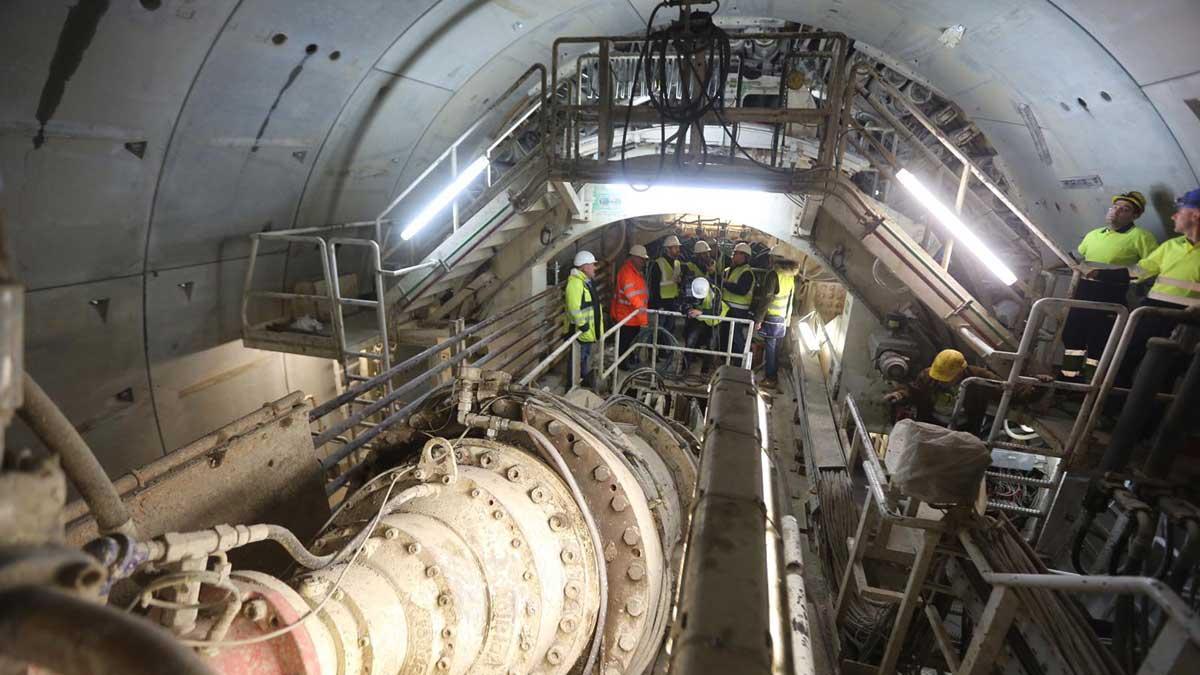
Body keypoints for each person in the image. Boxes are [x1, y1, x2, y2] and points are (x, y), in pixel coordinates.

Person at [1061, 191, 1158, 379]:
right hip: (1083, 293)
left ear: (1134, 216)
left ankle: (1092, 385)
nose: (1117, 211)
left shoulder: (1141, 237)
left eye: (1125, 209)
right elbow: (1076, 257)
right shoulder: (1093, 234)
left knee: (1100, 342)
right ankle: (1068, 381)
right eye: (1115, 207)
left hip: (1111, 296)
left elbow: (1150, 268)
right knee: (1072, 336)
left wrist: (1112, 276)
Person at [1113, 188, 1200, 387]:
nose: (1173, 215)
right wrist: (1098, 273)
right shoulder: (1171, 246)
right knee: (1126, 359)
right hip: (1152, 312)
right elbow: (1138, 272)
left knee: (1167, 372)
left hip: (1188, 320)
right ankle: (1112, 411)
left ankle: (1151, 417)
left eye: (1180, 210)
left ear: (1196, 214)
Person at [885, 349, 1048, 433]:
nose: (941, 380)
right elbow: (914, 391)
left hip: (964, 429)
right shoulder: (928, 375)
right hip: (931, 424)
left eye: (946, 377)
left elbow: (1011, 395)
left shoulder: (979, 378)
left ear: (961, 371)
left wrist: (1037, 387)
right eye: (939, 376)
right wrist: (900, 394)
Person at [753, 257, 800, 386]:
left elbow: (766, 299)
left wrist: (759, 319)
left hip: (772, 317)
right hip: (783, 317)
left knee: (770, 348)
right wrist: (789, 318)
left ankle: (770, 378)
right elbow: (793, 299)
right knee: (776, 348)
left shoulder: (773, 275)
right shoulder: (791, 277)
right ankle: (773, 374)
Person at [564, 250, 603, 386]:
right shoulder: (575, 284)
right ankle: (571, 386)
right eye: (592, 265)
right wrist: (582, 325)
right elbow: (573, 308)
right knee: (577, 359)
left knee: (583, 358)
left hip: (587, 331)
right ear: (585, 266)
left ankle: (581, 382)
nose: (594, 268)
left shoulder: (586, 282)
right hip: (580, 331)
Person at [612, 244, 650, 370]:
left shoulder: (635, 272)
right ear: (634, 257)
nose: (644, 261)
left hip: (634, 317)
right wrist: (644, 317)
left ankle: (630, 359)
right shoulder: (626, 273)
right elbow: (633, 297)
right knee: (625, 343)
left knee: (631, 342)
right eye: (641, 259)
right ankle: (622, 366)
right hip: (626, 317)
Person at [720, 242, 757, 363]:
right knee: (725, 334)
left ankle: (740, 361)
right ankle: (725, 359)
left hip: (738, 311)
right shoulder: (730, 269)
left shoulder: (747, 272)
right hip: (726, 308)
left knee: (736, 336)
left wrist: (724, 283)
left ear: (744, 256)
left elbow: (742, 290)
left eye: (736, 253)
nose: (733, 255)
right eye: (734, 253)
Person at [684, 277, 728, 372]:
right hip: (698, 317)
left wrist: (701, 312)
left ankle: (705, 371)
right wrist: (688, 310)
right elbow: (681, 304)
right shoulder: (689, 287)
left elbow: (717, 311)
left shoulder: (715, 291)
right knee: (690, 341)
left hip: (715, 320)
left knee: (711, 345)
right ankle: (685, 368)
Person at [649, 235, 683, 333]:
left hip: (673, 301)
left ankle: (666, 347)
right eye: (675, 247)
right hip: (662, 301)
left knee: (671, 328)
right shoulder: (658, 263)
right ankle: (657, 348)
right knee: (660, 329)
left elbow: (676, 283)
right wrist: (657, 304)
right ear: (668, 249)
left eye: (678, 247)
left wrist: (680, 282)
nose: (678, 249)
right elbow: (654, 285)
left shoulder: (677, 263)